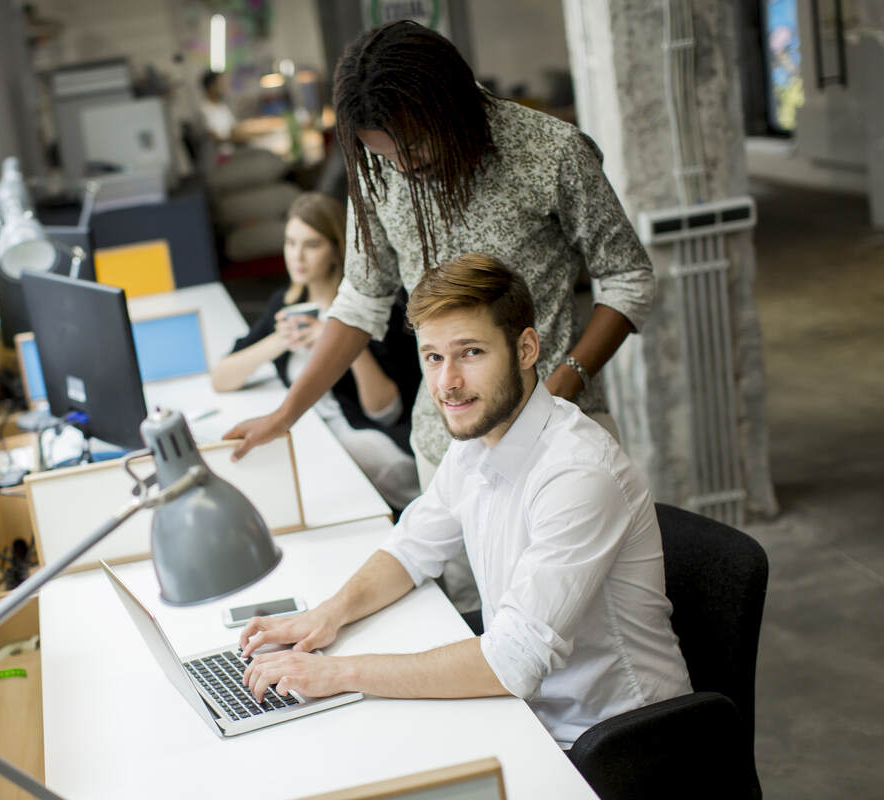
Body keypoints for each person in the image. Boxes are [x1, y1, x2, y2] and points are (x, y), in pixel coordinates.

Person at [223, 20, 656, 611]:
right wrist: (286, 413)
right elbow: (361, 298)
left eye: (412, 145)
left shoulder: (550, 152)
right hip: (446, 445)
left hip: (555, 434)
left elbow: (628, 277)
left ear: (449, 106)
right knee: (468, 617)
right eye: (383, 152)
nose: (402, 165)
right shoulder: (377, 173)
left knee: (572, 637)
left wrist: (566, 380)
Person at [238, 255, 691, 748]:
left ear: (526, 349)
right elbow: (410, 550)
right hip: (528, 716)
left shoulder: (577, 472)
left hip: (615, 743)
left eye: (470, 352)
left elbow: (511, 662)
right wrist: (325, 616)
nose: (447, 382)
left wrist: (337, 674)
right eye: (433, 357)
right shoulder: (476, 442)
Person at [211, 193, 420, 511]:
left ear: (337, 250)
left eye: (312, 245)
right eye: (290, 243)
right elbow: (221, 378)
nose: (297, 256)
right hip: (310, 432)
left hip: (366, 443)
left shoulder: (374, 313)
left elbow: (386, 412)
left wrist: (341, 343)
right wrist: (277, 341)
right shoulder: (286, 305)